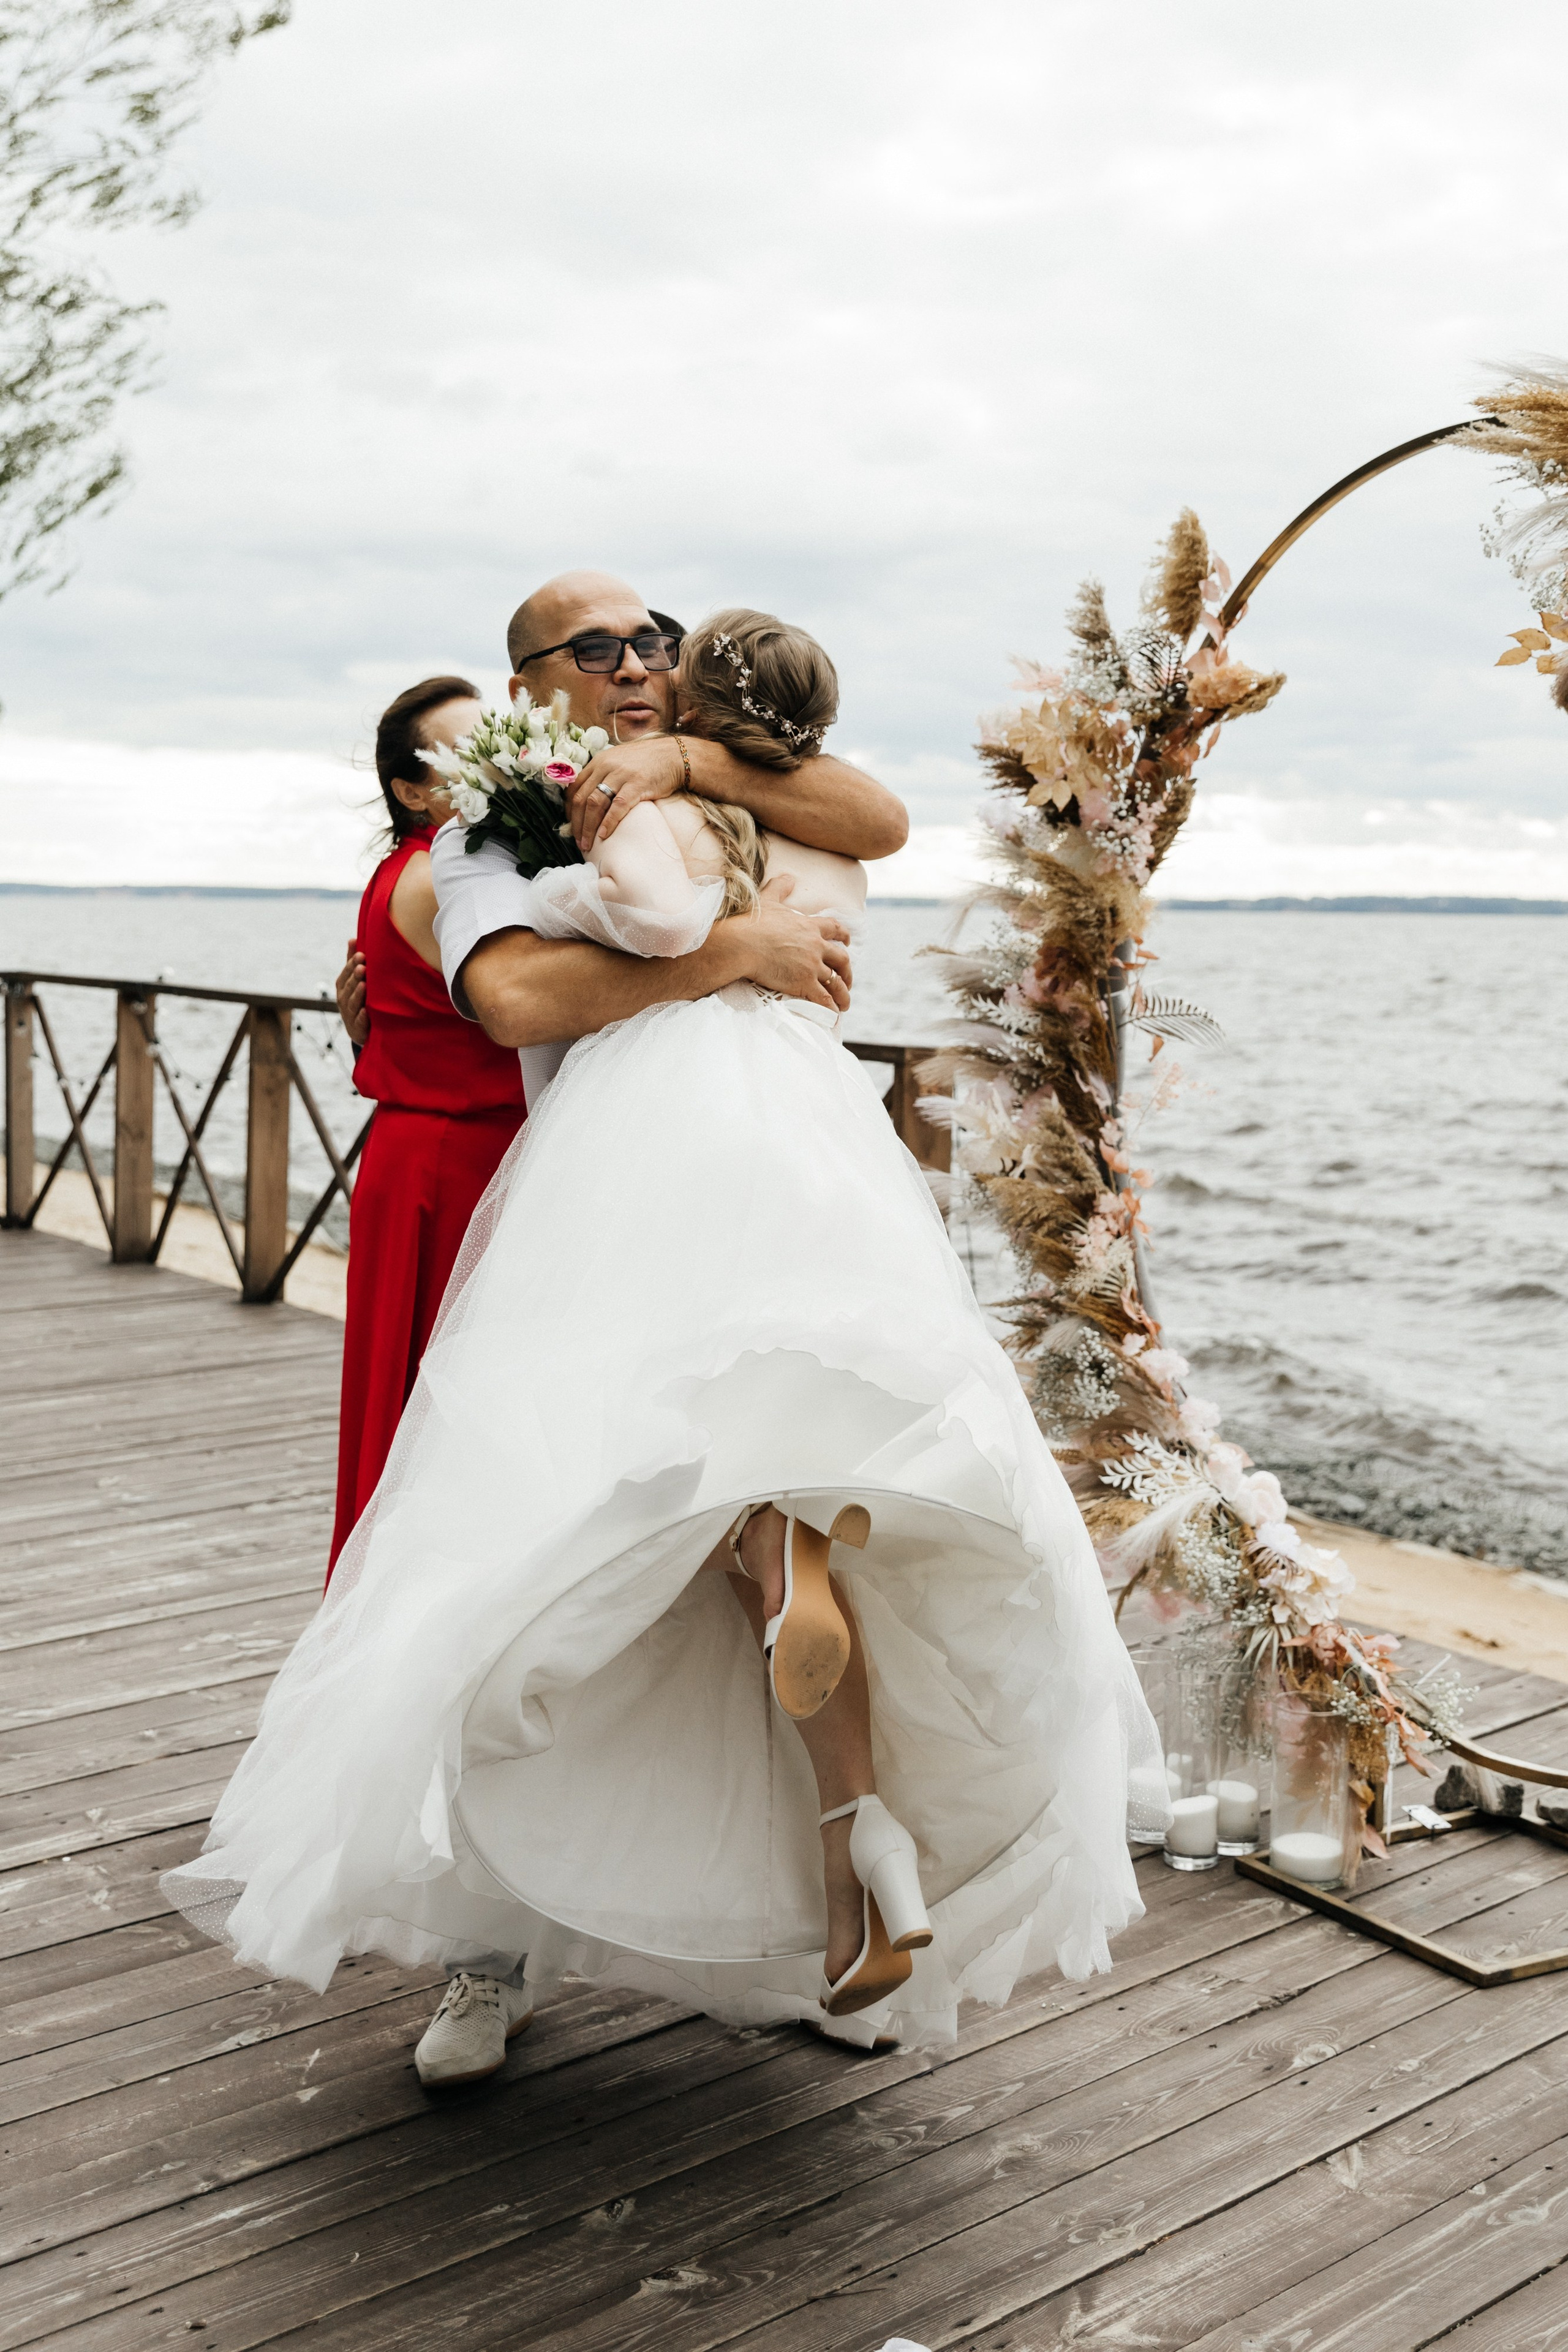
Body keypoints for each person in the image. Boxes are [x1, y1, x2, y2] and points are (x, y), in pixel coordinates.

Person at [164, 589, 1167, 2089]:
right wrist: (736, 951)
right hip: (667, 1203)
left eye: (656, 643)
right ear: (527, 686)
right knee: (591, 1539)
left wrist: (693, 773)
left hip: (669, 1203)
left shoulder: (710, 777)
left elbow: (877, 814)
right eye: (597, 651)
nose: (634, 666)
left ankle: (774, 1910)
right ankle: (542, 1942)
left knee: (678, 1525)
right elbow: (508, 994)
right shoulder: (495, 822)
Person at [326, 677, 527, 1576]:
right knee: (446, 1407)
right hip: (455, 1161)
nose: (499, 758)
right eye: (468, 749)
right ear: (412, 789)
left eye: (500, 737)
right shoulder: (447, 874)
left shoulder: (408, 868)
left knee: (417, 1402)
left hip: (419, 1153)